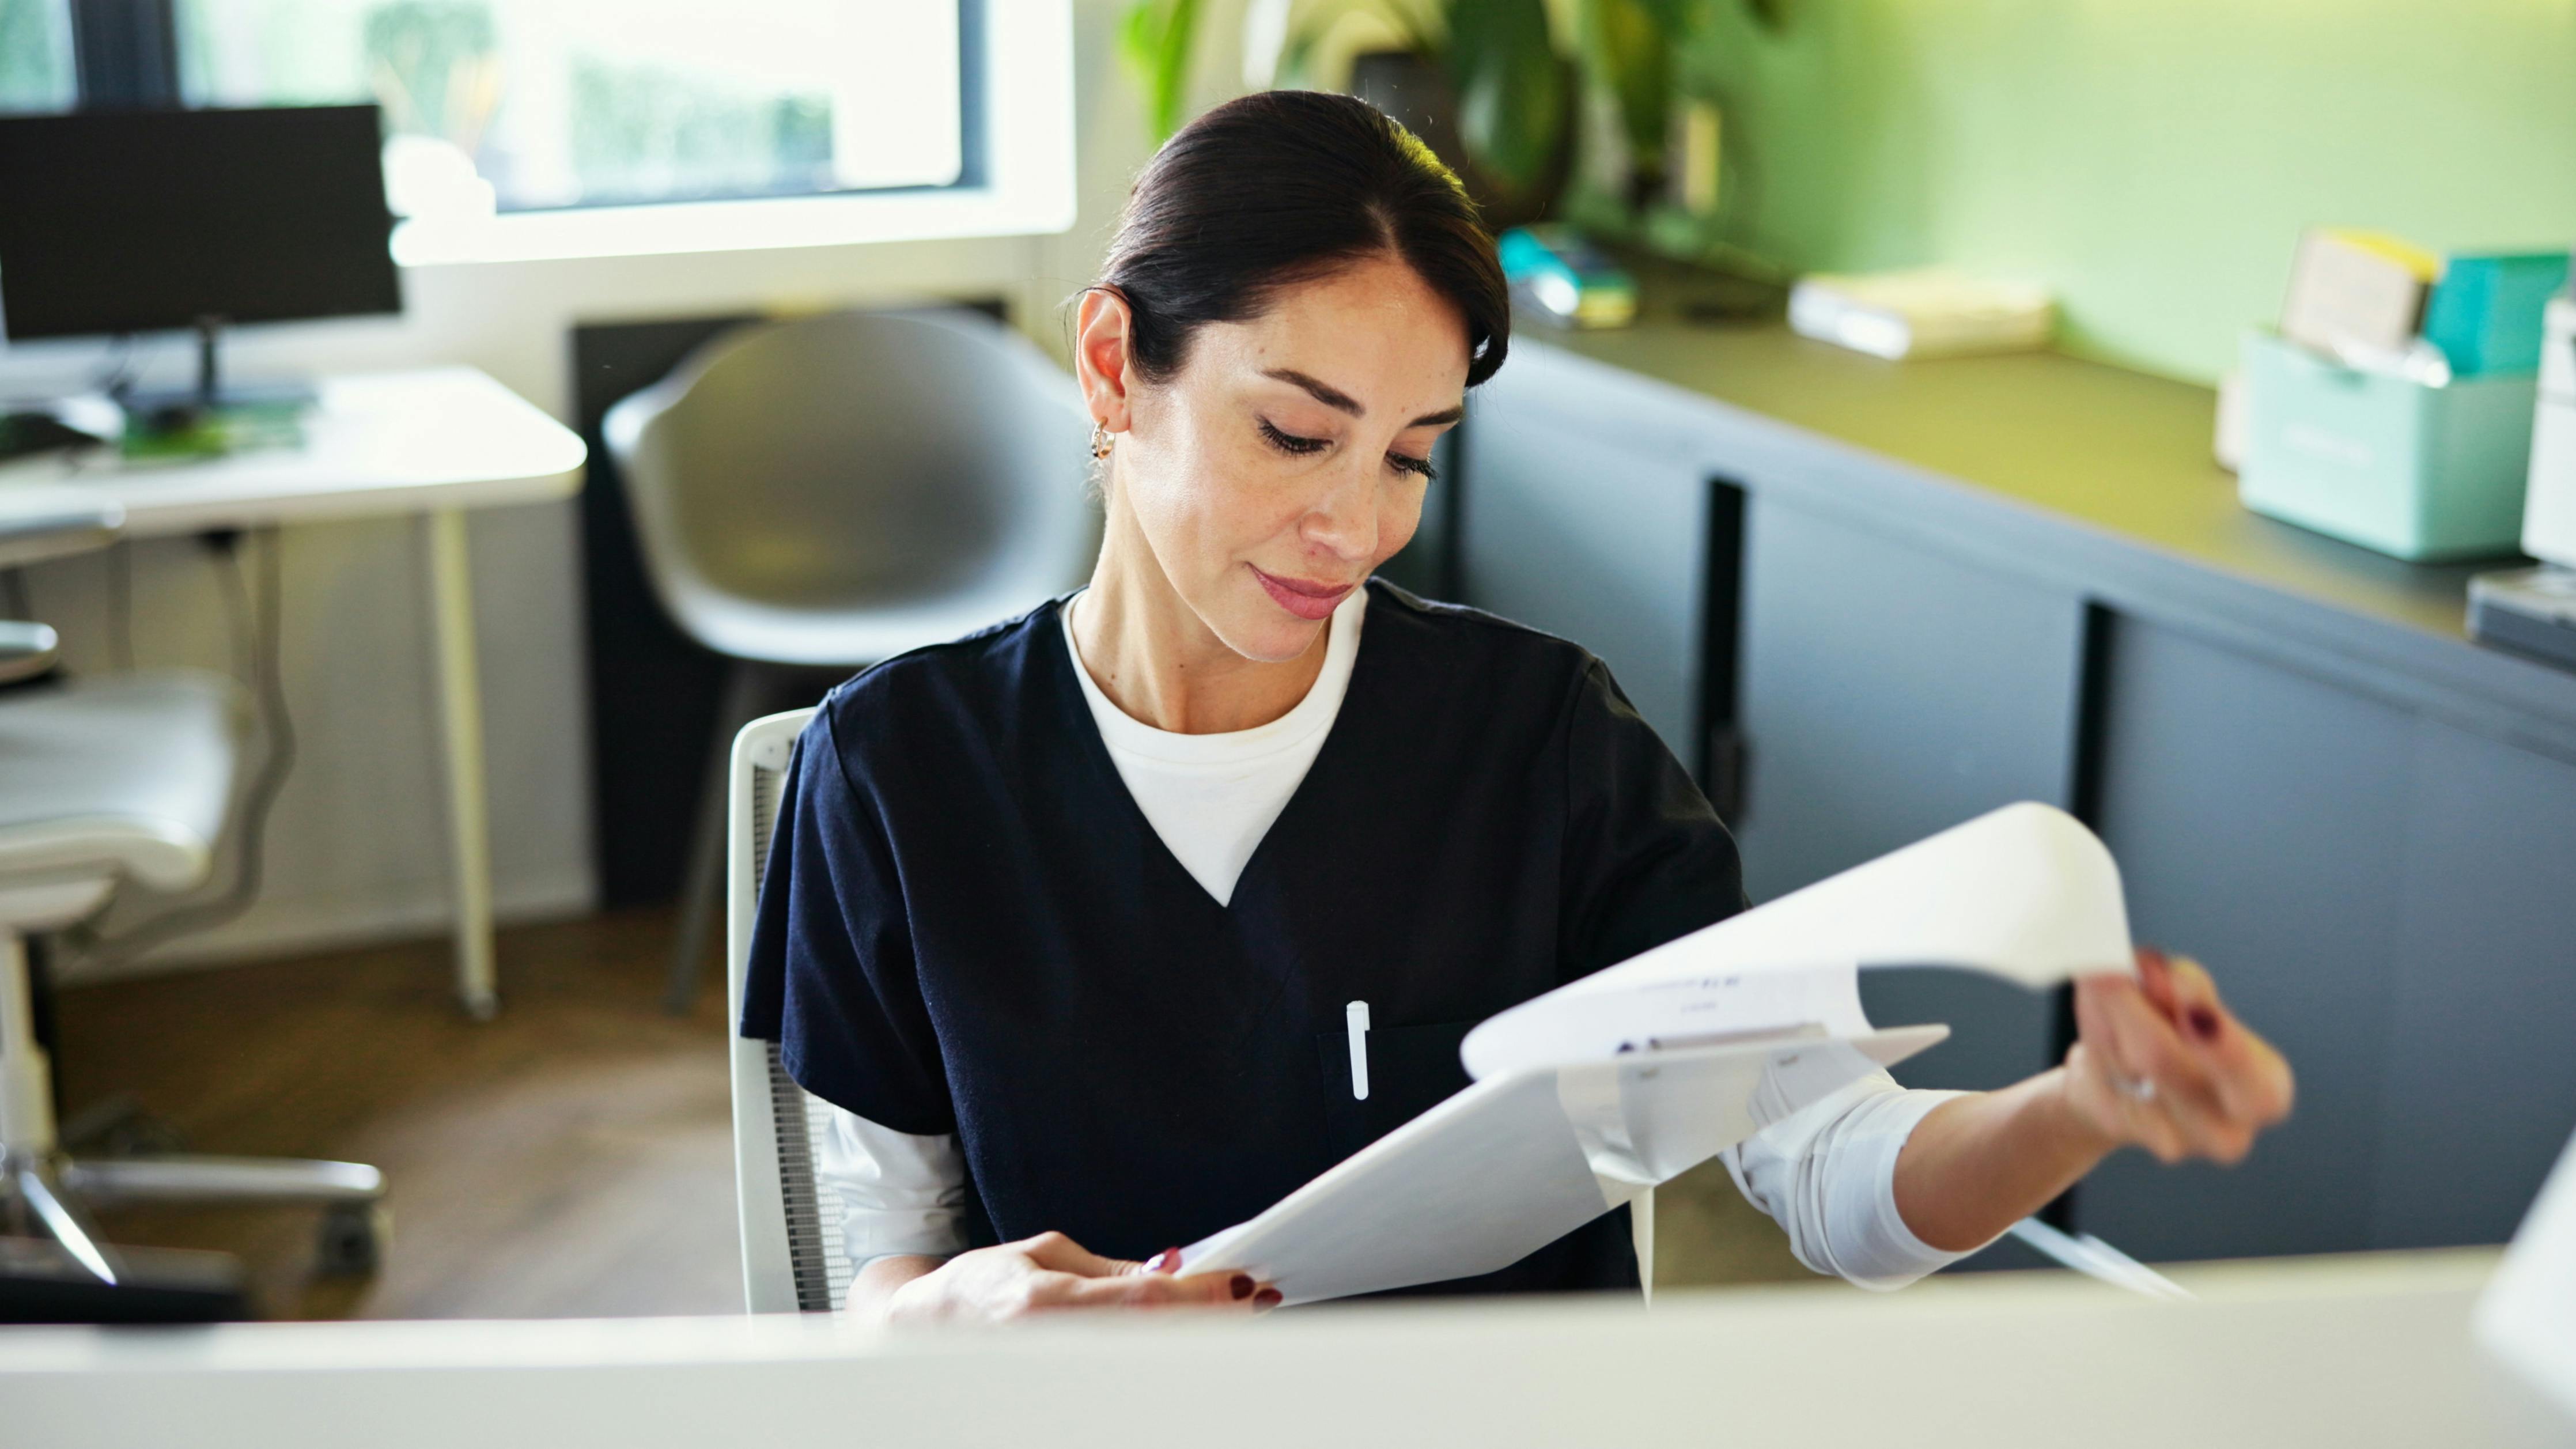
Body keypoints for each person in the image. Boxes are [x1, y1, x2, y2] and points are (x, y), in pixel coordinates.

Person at [737, 91, 2293, 1324]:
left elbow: (1836, 1173)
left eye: (1412, 454)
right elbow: (875, 1272)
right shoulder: (895, 776)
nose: (1357, 523)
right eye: (1296, 431)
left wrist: (2084, 1103)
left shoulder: (1546, 748)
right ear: (1111, 365)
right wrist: (965, 1314)